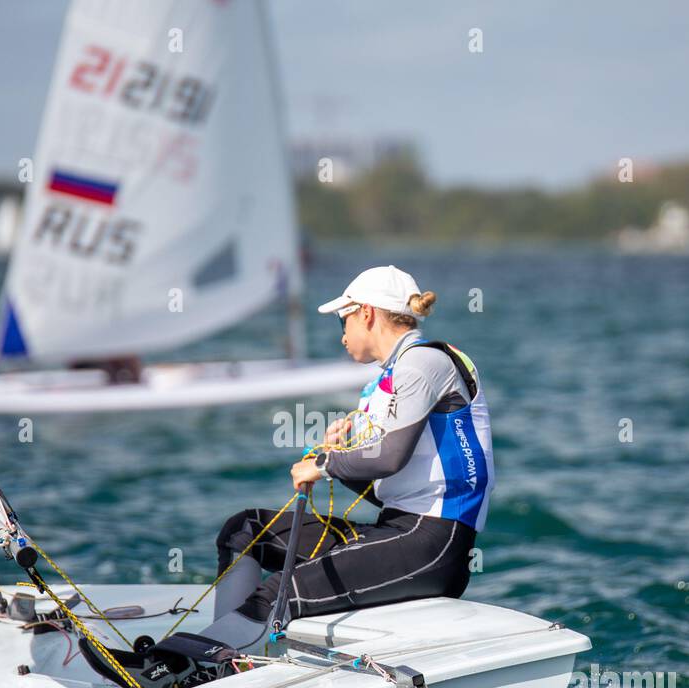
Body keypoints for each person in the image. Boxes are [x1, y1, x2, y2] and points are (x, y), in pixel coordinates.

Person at [200, 265, 495, 653]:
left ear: (367, 313)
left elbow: (389, 459)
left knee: (280, 591)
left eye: (344, 320)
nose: (342, 335)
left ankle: (193, 663)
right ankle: (227, 643)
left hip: (434, 545)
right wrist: (339, 457)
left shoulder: (423, 364)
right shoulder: (387, 379)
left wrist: (324, 465)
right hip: (396, 529)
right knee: (245, 529)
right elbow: (386, 487)